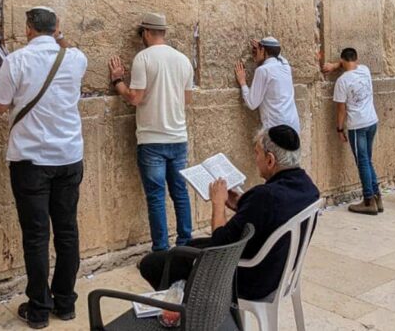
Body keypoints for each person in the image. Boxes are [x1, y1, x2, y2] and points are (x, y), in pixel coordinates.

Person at [137, 126, 320, 303]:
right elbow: (267, 215)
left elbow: (219, 244)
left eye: (257, 153)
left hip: (249, 279)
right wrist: (240, 202)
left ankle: (188, 312)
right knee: (189, 246)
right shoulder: (308, 189)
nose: (255, 159)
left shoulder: (266, 197)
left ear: (270, 160)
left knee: (152, 264)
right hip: (277, 273)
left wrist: (218, 204)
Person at [0, 7, 87, 328]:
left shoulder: (15, 62)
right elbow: (66, 47)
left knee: (36, 236)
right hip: (69, 157)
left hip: (31, 160)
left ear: (28, 27)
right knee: (67, 231)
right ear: (57, 28)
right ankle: (66, 303)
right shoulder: (76, 59)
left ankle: (39, 308)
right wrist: (60, 37)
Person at [108, 12, 194, 253]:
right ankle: (186, 245)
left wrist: (118, 82)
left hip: (151, 140)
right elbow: (187, 99)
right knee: (180, 193)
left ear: (146, 32)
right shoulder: (183, 60)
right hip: (178, 137)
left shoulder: (143, 59)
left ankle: (161, 250)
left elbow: (135, 98)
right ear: (163, 32)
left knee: (156, 197)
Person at [323, 48, 381, 215]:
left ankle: (368, 200)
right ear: (357, 58)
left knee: (362, 162)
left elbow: (341, 109)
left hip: (357, 125)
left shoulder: (342, 81)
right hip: (372, 121)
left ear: (342, 59)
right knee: (368, 160)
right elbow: (349, 63)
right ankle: (377, 197)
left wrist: (339, 129)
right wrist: (337, 64)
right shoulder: (365, 70)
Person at [234, 36, 301, 133]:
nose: (254, 54)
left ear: (263, 50)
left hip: (276, 130)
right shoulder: (285, 66)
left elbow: (252, 103)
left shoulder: (263, 70)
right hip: (294, 126)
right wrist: (264, 47)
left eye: (255, 50)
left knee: (259, 148)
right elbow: (277, 55)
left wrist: (242, 82)